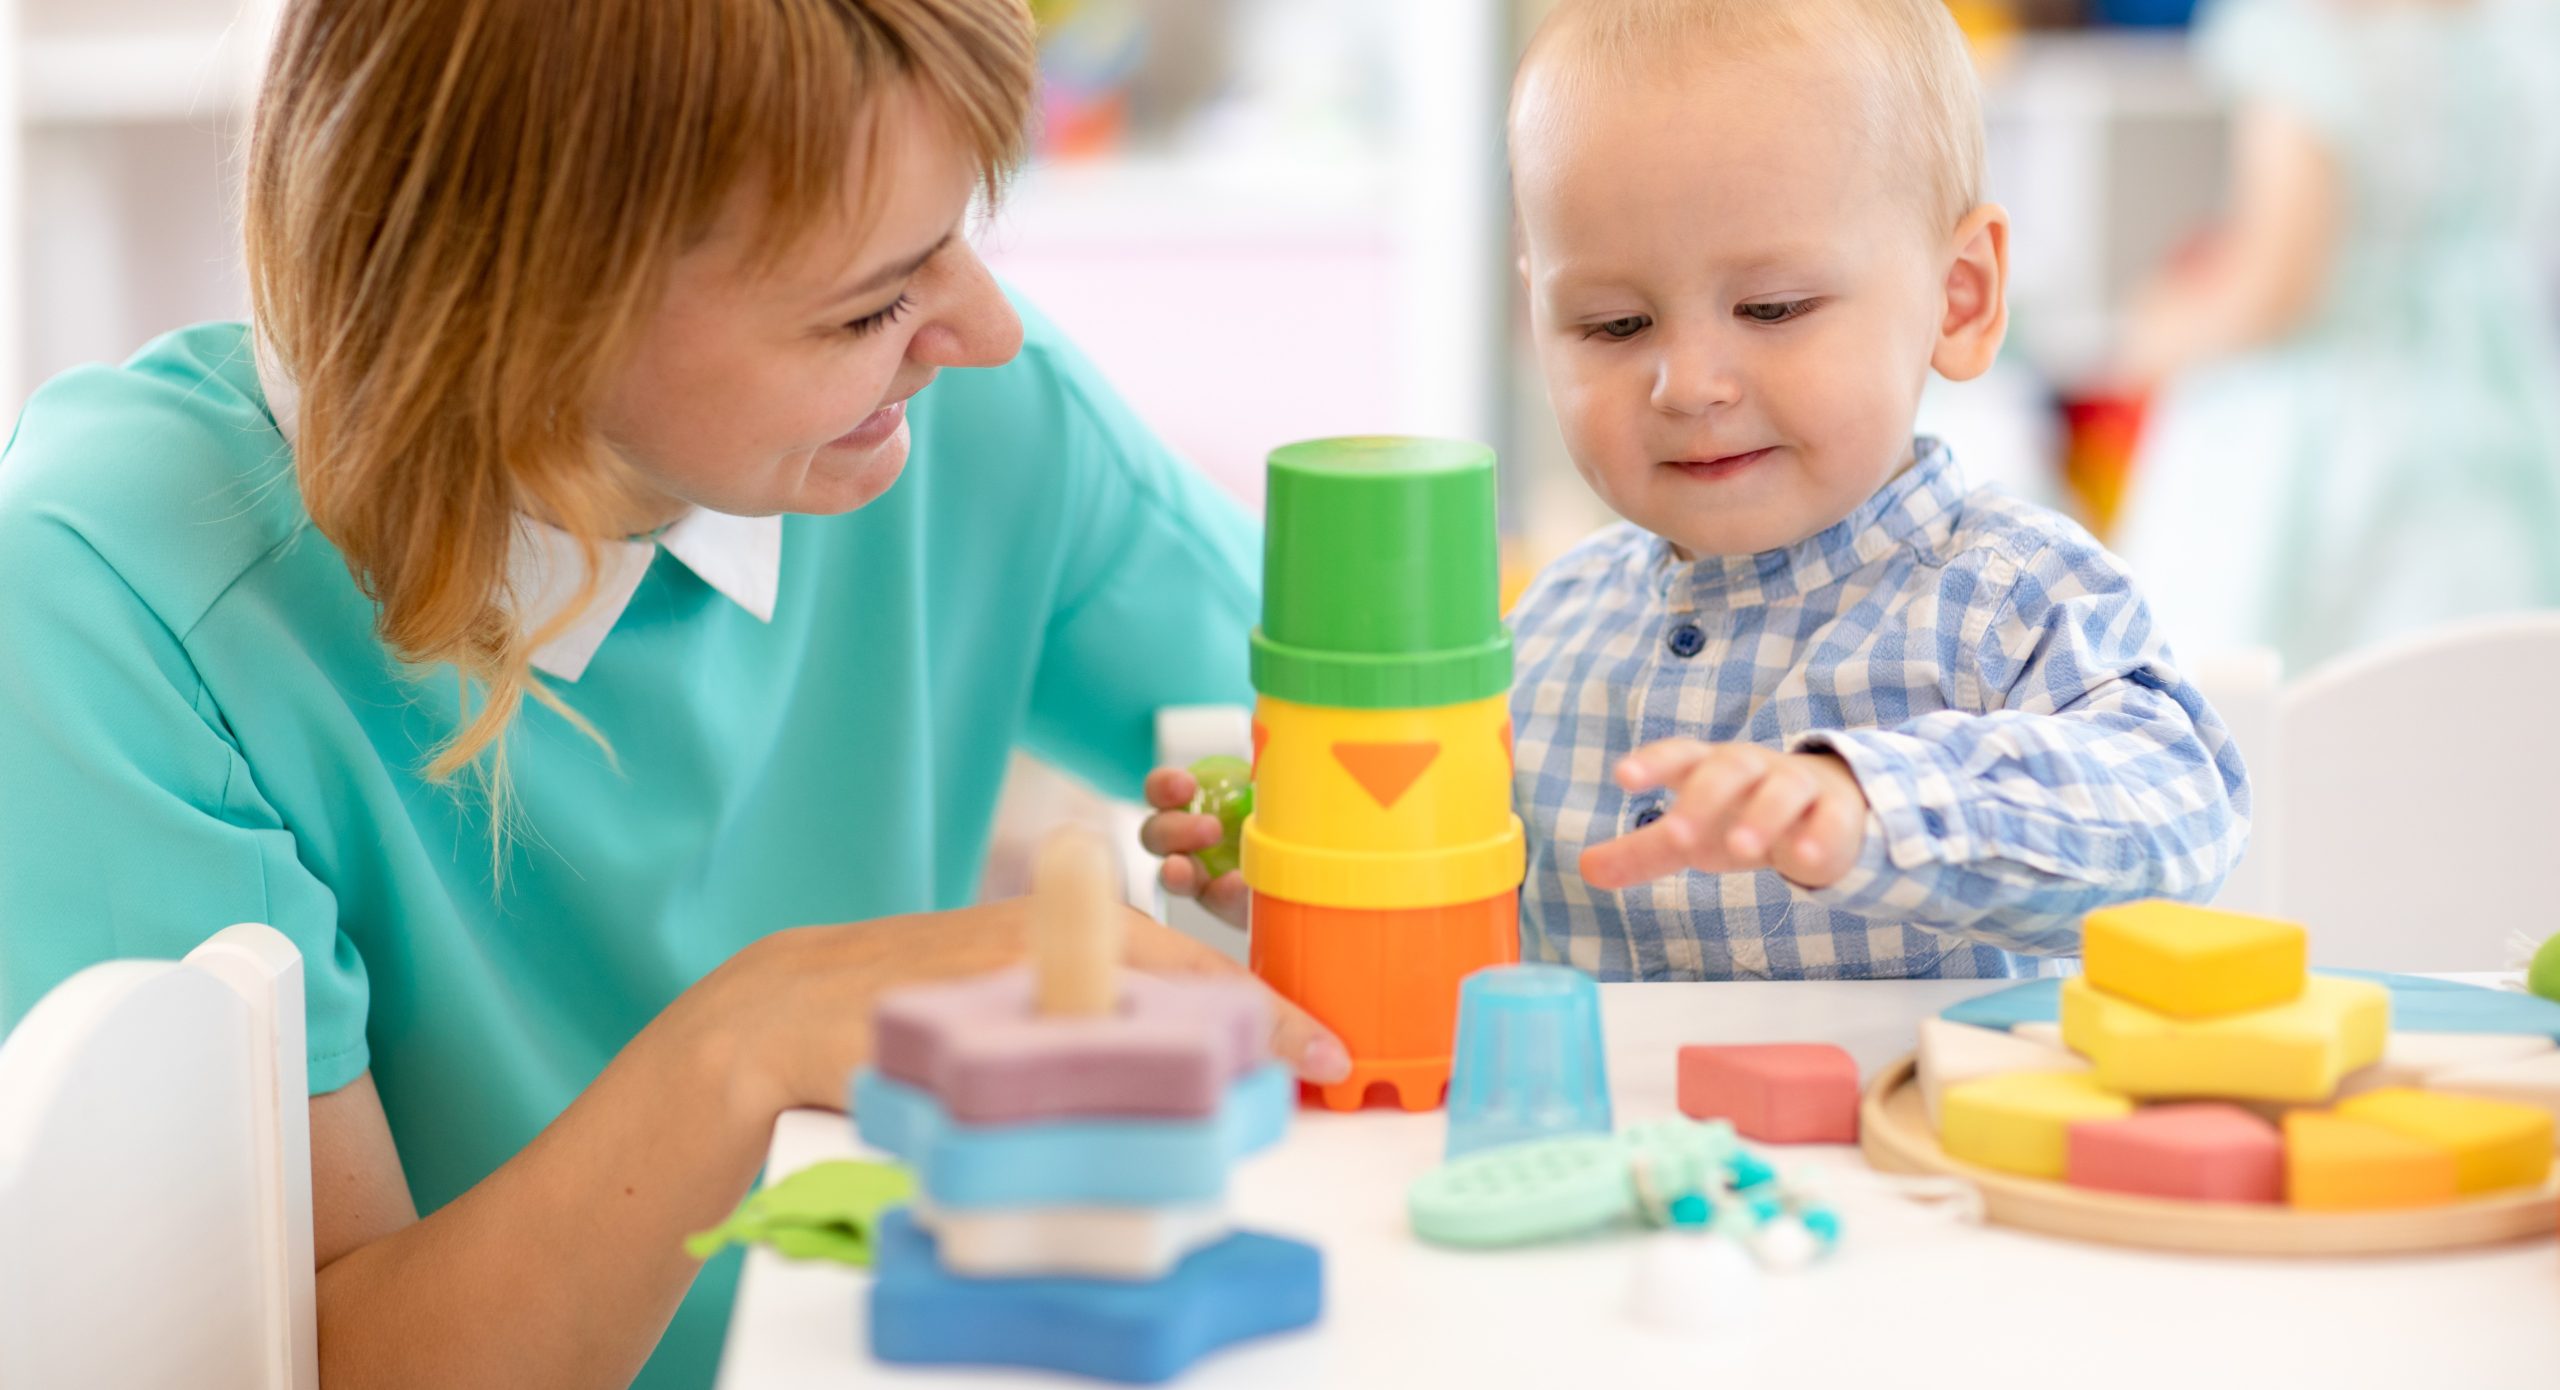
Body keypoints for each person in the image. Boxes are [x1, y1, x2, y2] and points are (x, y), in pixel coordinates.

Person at [0, 2, 1345, 1385]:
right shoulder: (115, 598)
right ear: (522, 312)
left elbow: (1408, 742)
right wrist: (752, 1041)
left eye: (961, 237)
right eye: (867, 303)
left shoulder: (954, 416)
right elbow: (324, 1359)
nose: (984, 330)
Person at [1202, 0, 2246, 985]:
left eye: (1772, 307)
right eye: (1614, 325)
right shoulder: (1550, 631)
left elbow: (2180, 813)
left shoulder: (2009, 595)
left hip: (1918, 1161)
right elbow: (1464, 901)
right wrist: (1311, 869)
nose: (1686, 384)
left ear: (1957, 297)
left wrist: (1862, 798)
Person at [2110, 0, 2560, 673]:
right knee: (2488, 698)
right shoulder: (2518, 23)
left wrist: (2151, 331)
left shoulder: (2301, 27)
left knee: (2291, 709)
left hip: (2336, 437)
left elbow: (2281, 284)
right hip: (2498, 400)